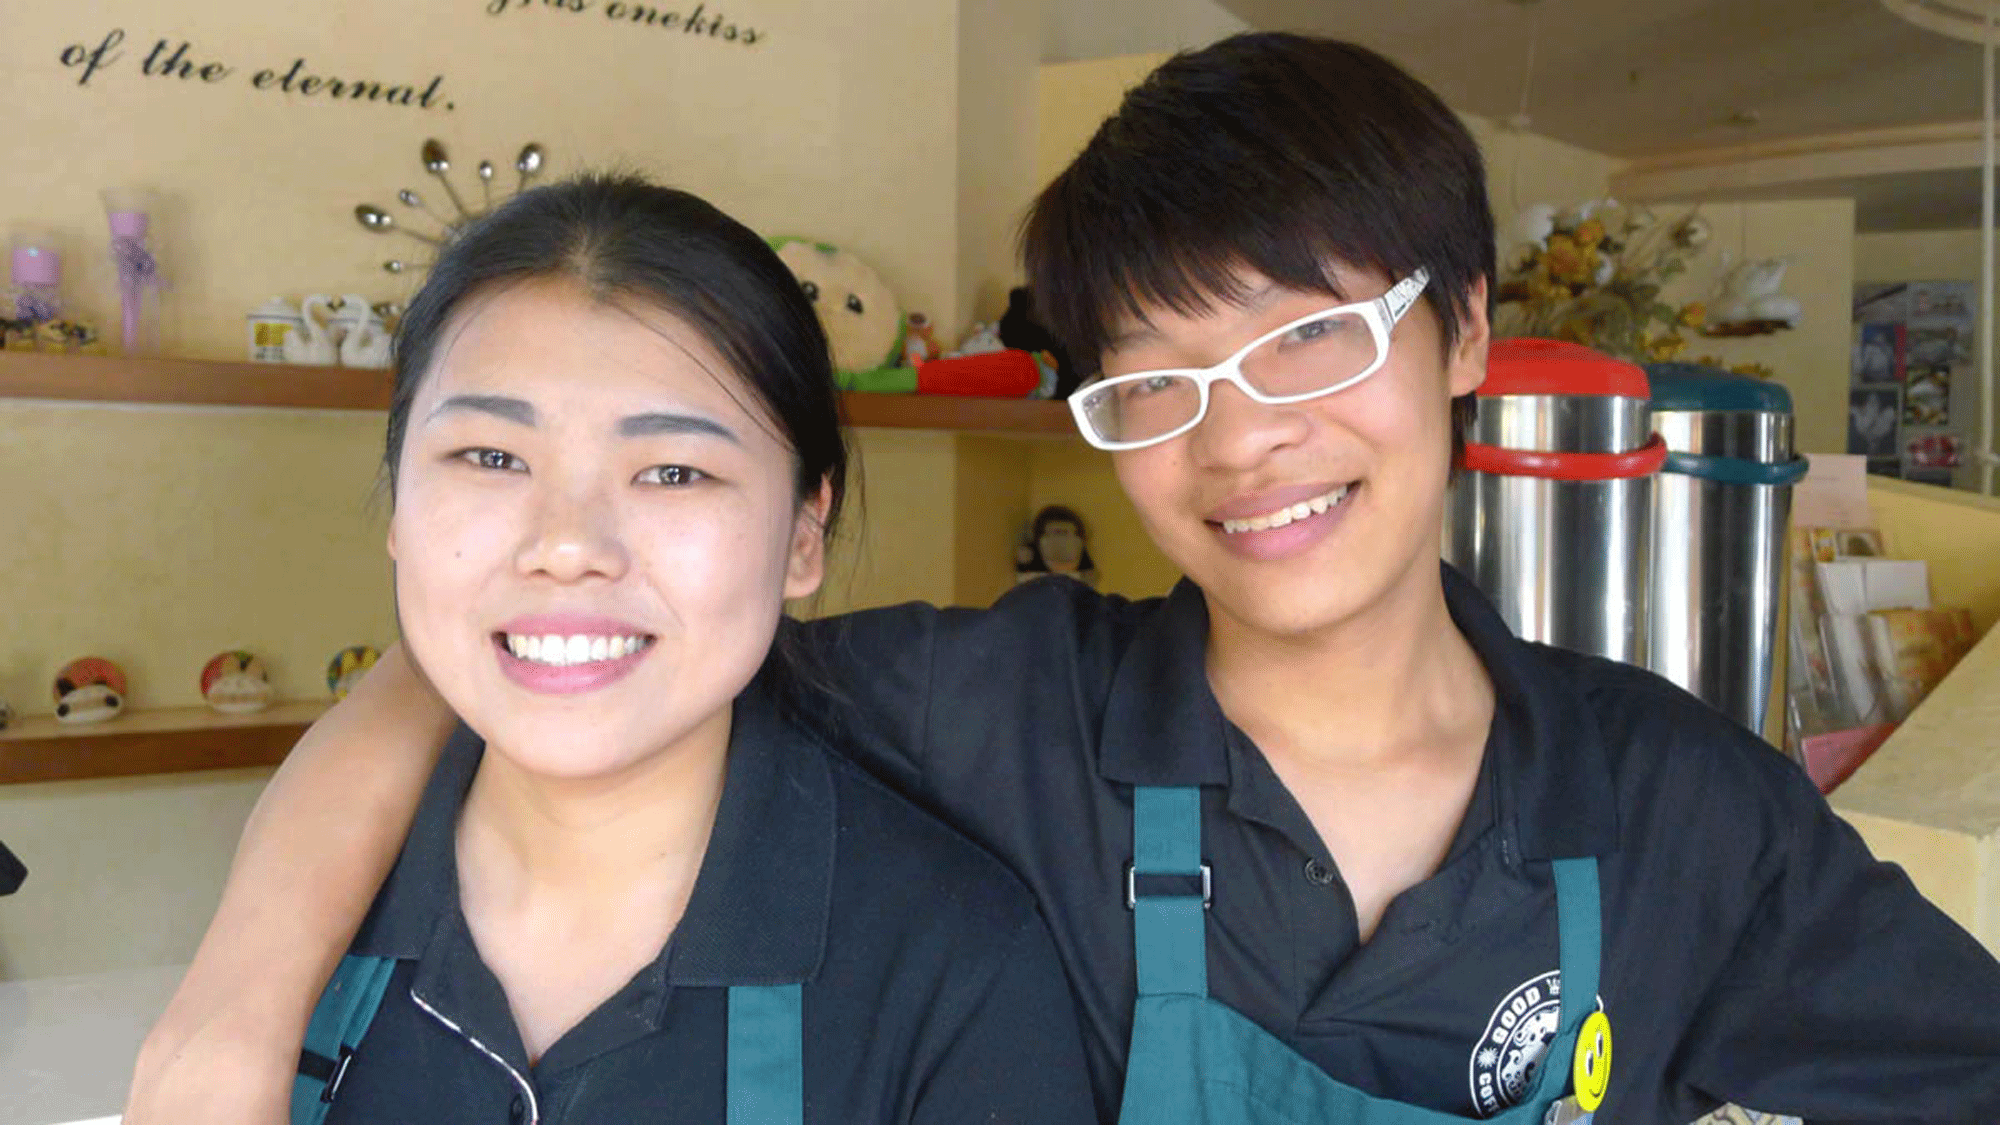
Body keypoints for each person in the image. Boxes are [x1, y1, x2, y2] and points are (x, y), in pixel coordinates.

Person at [130, 35, 2000, 1125]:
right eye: (1158, 380)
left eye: (1310, 339)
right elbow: (565, 638)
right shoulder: (1001, 709)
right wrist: (233, 1002)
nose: (1243, 437)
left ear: (1464, 336)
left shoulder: (1674, 808)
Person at [232, 173, 1095, 1125]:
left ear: (804, 534)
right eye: (492, 457)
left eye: (674, 471)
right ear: (398, 501)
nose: (567, 546)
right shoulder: (277, 942)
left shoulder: (953, 967)